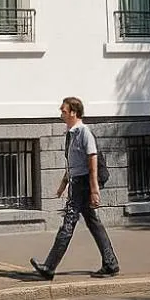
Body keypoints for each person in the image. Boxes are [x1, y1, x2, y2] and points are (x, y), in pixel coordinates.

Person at [30, 96, 120, 279]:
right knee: (93, 223)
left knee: (68, 223)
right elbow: (73, 163)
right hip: (77, 182)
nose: (61, 114)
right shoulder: (70, 133)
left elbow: (92, 161)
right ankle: (111, 263)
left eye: (63, 111)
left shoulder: (84, 132)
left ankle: (49, 267)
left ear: (74, 112)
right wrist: (63, 184)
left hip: (84, 183)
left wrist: (94, 190)